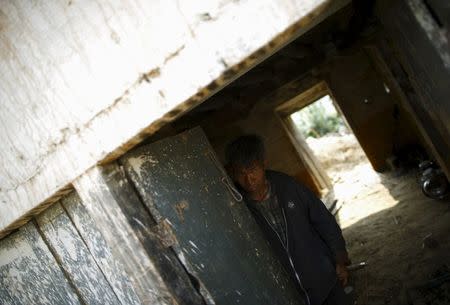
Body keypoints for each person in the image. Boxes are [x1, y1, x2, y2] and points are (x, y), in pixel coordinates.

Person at [225, 135, 351, 305]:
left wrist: (339, 260)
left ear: (263, 164)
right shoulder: (238, 208)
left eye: (252, 169)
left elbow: (325, 221)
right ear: (233, 174)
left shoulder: (289, 188)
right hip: (287, 294)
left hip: (324, 279)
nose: (249, 179)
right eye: (241, 173)